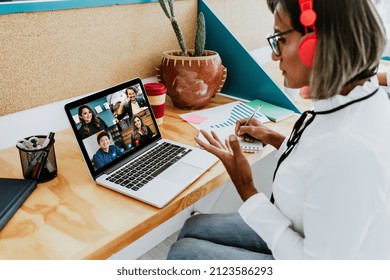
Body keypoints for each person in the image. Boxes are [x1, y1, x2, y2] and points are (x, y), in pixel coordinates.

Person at [167, 0, 390, 259]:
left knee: (184, 253)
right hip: (306, 227)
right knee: (194, 226)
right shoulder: (360, 95)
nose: (274, 55)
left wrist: (246, 188)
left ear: (315, 44)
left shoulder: (349, 149)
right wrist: (274, 137)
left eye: (280, 40)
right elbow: (319, 160)